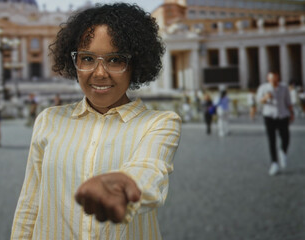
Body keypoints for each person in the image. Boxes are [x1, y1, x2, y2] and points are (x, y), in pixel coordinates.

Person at [11, 3, 181, 240]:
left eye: (115, 60)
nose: (100, 73)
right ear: (74, 62)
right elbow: (30, 203)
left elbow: (150, 168)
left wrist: (123, 185)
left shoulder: (160, 123)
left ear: (135, 64)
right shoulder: (48, 120)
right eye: (88, 58)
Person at [256, 71, 294, 176]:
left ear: (278, 78)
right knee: (271, 140)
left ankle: (283, 151)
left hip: (283, 115)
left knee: (286, 137)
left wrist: (291, 113)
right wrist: (265, 97)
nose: (273, 80)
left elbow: (288, 101)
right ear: (268, 78)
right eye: (271, 78)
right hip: (269, 116)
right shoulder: (263, 88)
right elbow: (259, 101)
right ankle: (274, 163)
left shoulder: (284, 87)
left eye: (275, 78)